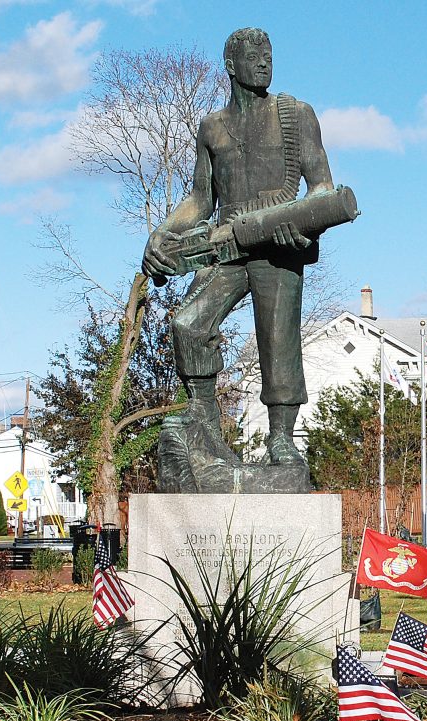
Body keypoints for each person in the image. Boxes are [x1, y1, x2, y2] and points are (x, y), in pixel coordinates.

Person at [142, 27, 334, 467]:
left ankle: (281, 438)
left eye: (269, 55)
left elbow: (323, 188)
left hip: (278, 243)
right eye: (254, 57)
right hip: (226, 245)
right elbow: (200, 200)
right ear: (231, 66)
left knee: (278, 338)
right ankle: (203, 417)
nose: (264, 63)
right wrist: (163, 232)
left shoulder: (296, 115)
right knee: (189, 324)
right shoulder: (212, 127)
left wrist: (303, 227)